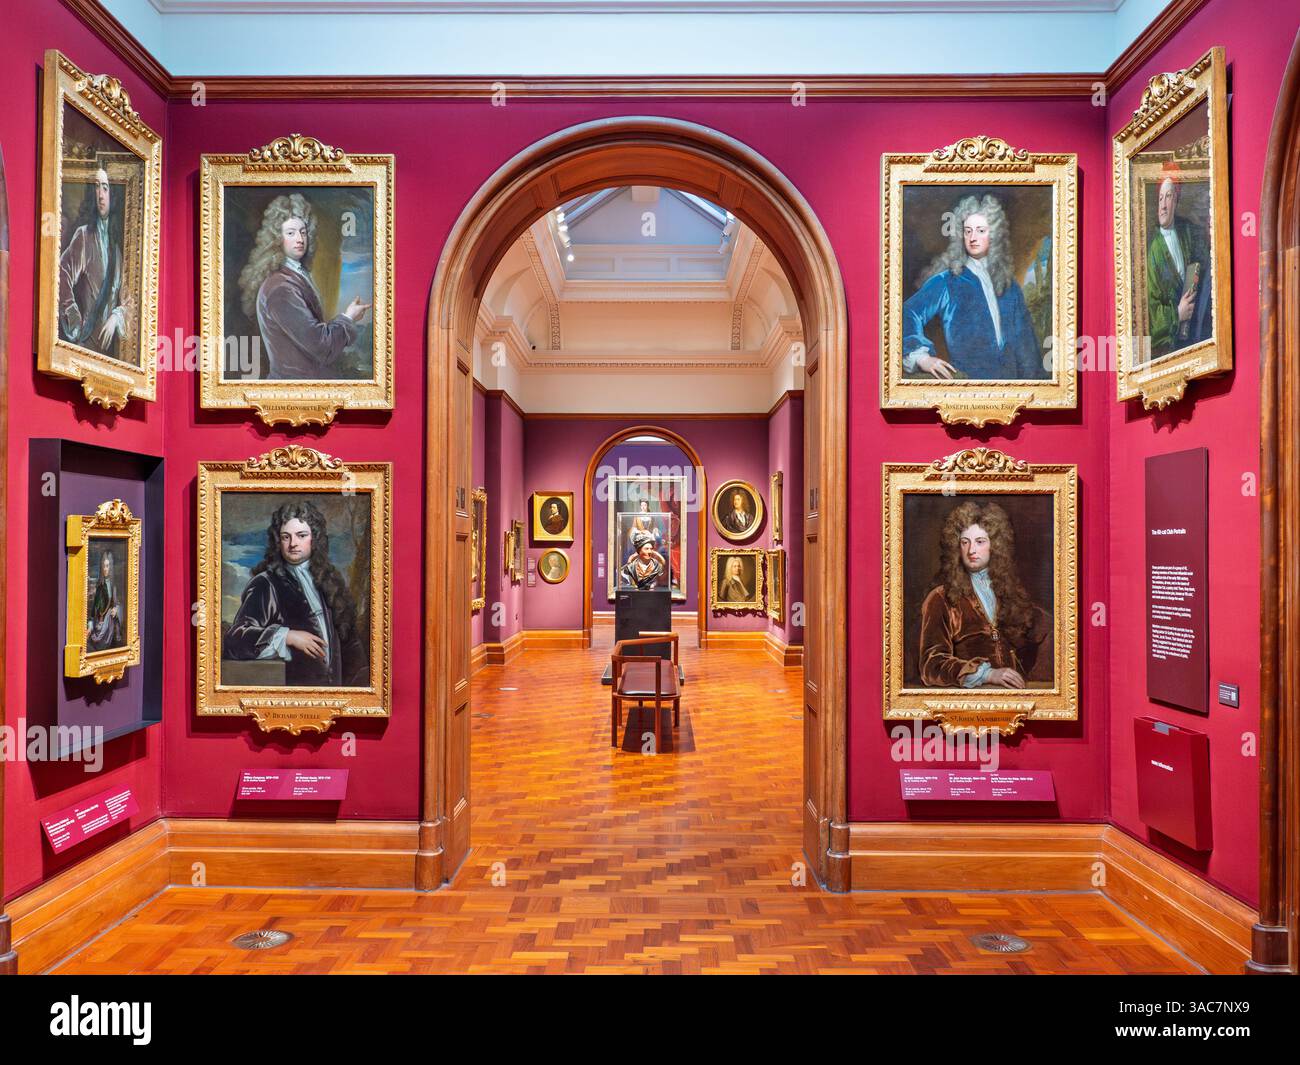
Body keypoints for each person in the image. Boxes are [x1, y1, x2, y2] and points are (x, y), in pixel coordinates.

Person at [901, 194, 1046, 380]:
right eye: (968, 231)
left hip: (1012, 390)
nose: (972, 237)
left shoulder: (1010, 287)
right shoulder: (947, 281)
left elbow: (1027, 349)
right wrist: (922, 358)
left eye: (980, 230)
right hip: (967, 388)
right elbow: (909, 312)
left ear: (993, 234)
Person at [224, 500, 368, 687]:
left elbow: (350, 644)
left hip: (334, 695)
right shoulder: (266, 583)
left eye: (301, 535)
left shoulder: (328, 581)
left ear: (314, 538)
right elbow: (234, 640)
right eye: (286, 537)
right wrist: (287, 636)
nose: (293, 544)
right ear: (278, 541)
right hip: (292, 695)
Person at [237, 193, 371, 380]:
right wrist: (348, 317)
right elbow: (321, 346)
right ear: (276, 238)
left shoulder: (296, 274)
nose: (300, 239)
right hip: (293, 390)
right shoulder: (280, 289)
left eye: (303, 231)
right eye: (291, 233)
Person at [918, 500, 1050, 688]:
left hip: (1015, 697)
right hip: (969, 700)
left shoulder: (1008, 590)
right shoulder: (940, 598)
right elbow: (931, 665)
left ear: (995, 545)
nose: (971, 550)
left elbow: (1049, 630)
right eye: (965, 542)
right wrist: (986, 674)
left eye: (980, 542)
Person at [59, 167, 130, 358]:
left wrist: (116, 317)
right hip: (85, 343)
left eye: (105, 188)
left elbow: (127, 299)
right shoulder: (84, 235)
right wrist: (71, 309)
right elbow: (61, 271)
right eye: (97, 187)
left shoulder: (116, 250)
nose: (101, 195)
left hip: (107, 353)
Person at [1145, 170, 1211, 359]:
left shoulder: (1187, 232)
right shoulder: (1153, 250)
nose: (1163, 206)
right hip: (1168, 347)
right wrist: (1177, 313)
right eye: (1160, 199)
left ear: (1176, 201)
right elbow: (1152, 309)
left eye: (1168, 197)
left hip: (1195, 335)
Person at [85, 549, 123, 651]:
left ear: (110, 567)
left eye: (107, 566)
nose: (105, 569)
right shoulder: (99, 587)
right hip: (97, 630)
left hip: (109, 631)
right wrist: (90, 627)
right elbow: (93, 612)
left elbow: (120, 605)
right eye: (103, 566)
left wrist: (116, 610)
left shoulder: (114, 586)